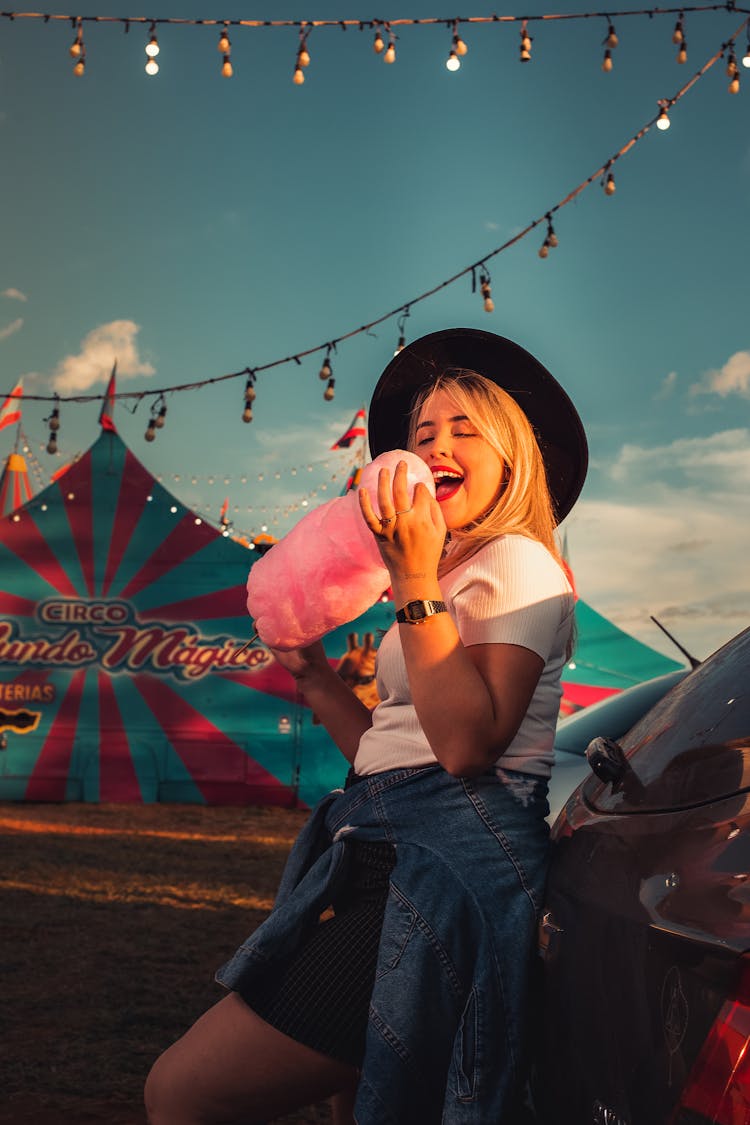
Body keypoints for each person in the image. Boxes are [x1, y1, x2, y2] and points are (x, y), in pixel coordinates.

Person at [144, 327, 588, 1125]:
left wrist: (413, 577)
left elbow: (465, 745)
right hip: (388, 846)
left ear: (513, 459)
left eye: (462, 429)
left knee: (180, 1091)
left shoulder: (514, 561)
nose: (433, 445)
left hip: (446, 871)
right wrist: (313, 674)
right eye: (421, 435)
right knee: (360, 1103)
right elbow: (393, 752)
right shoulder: (448, 575)